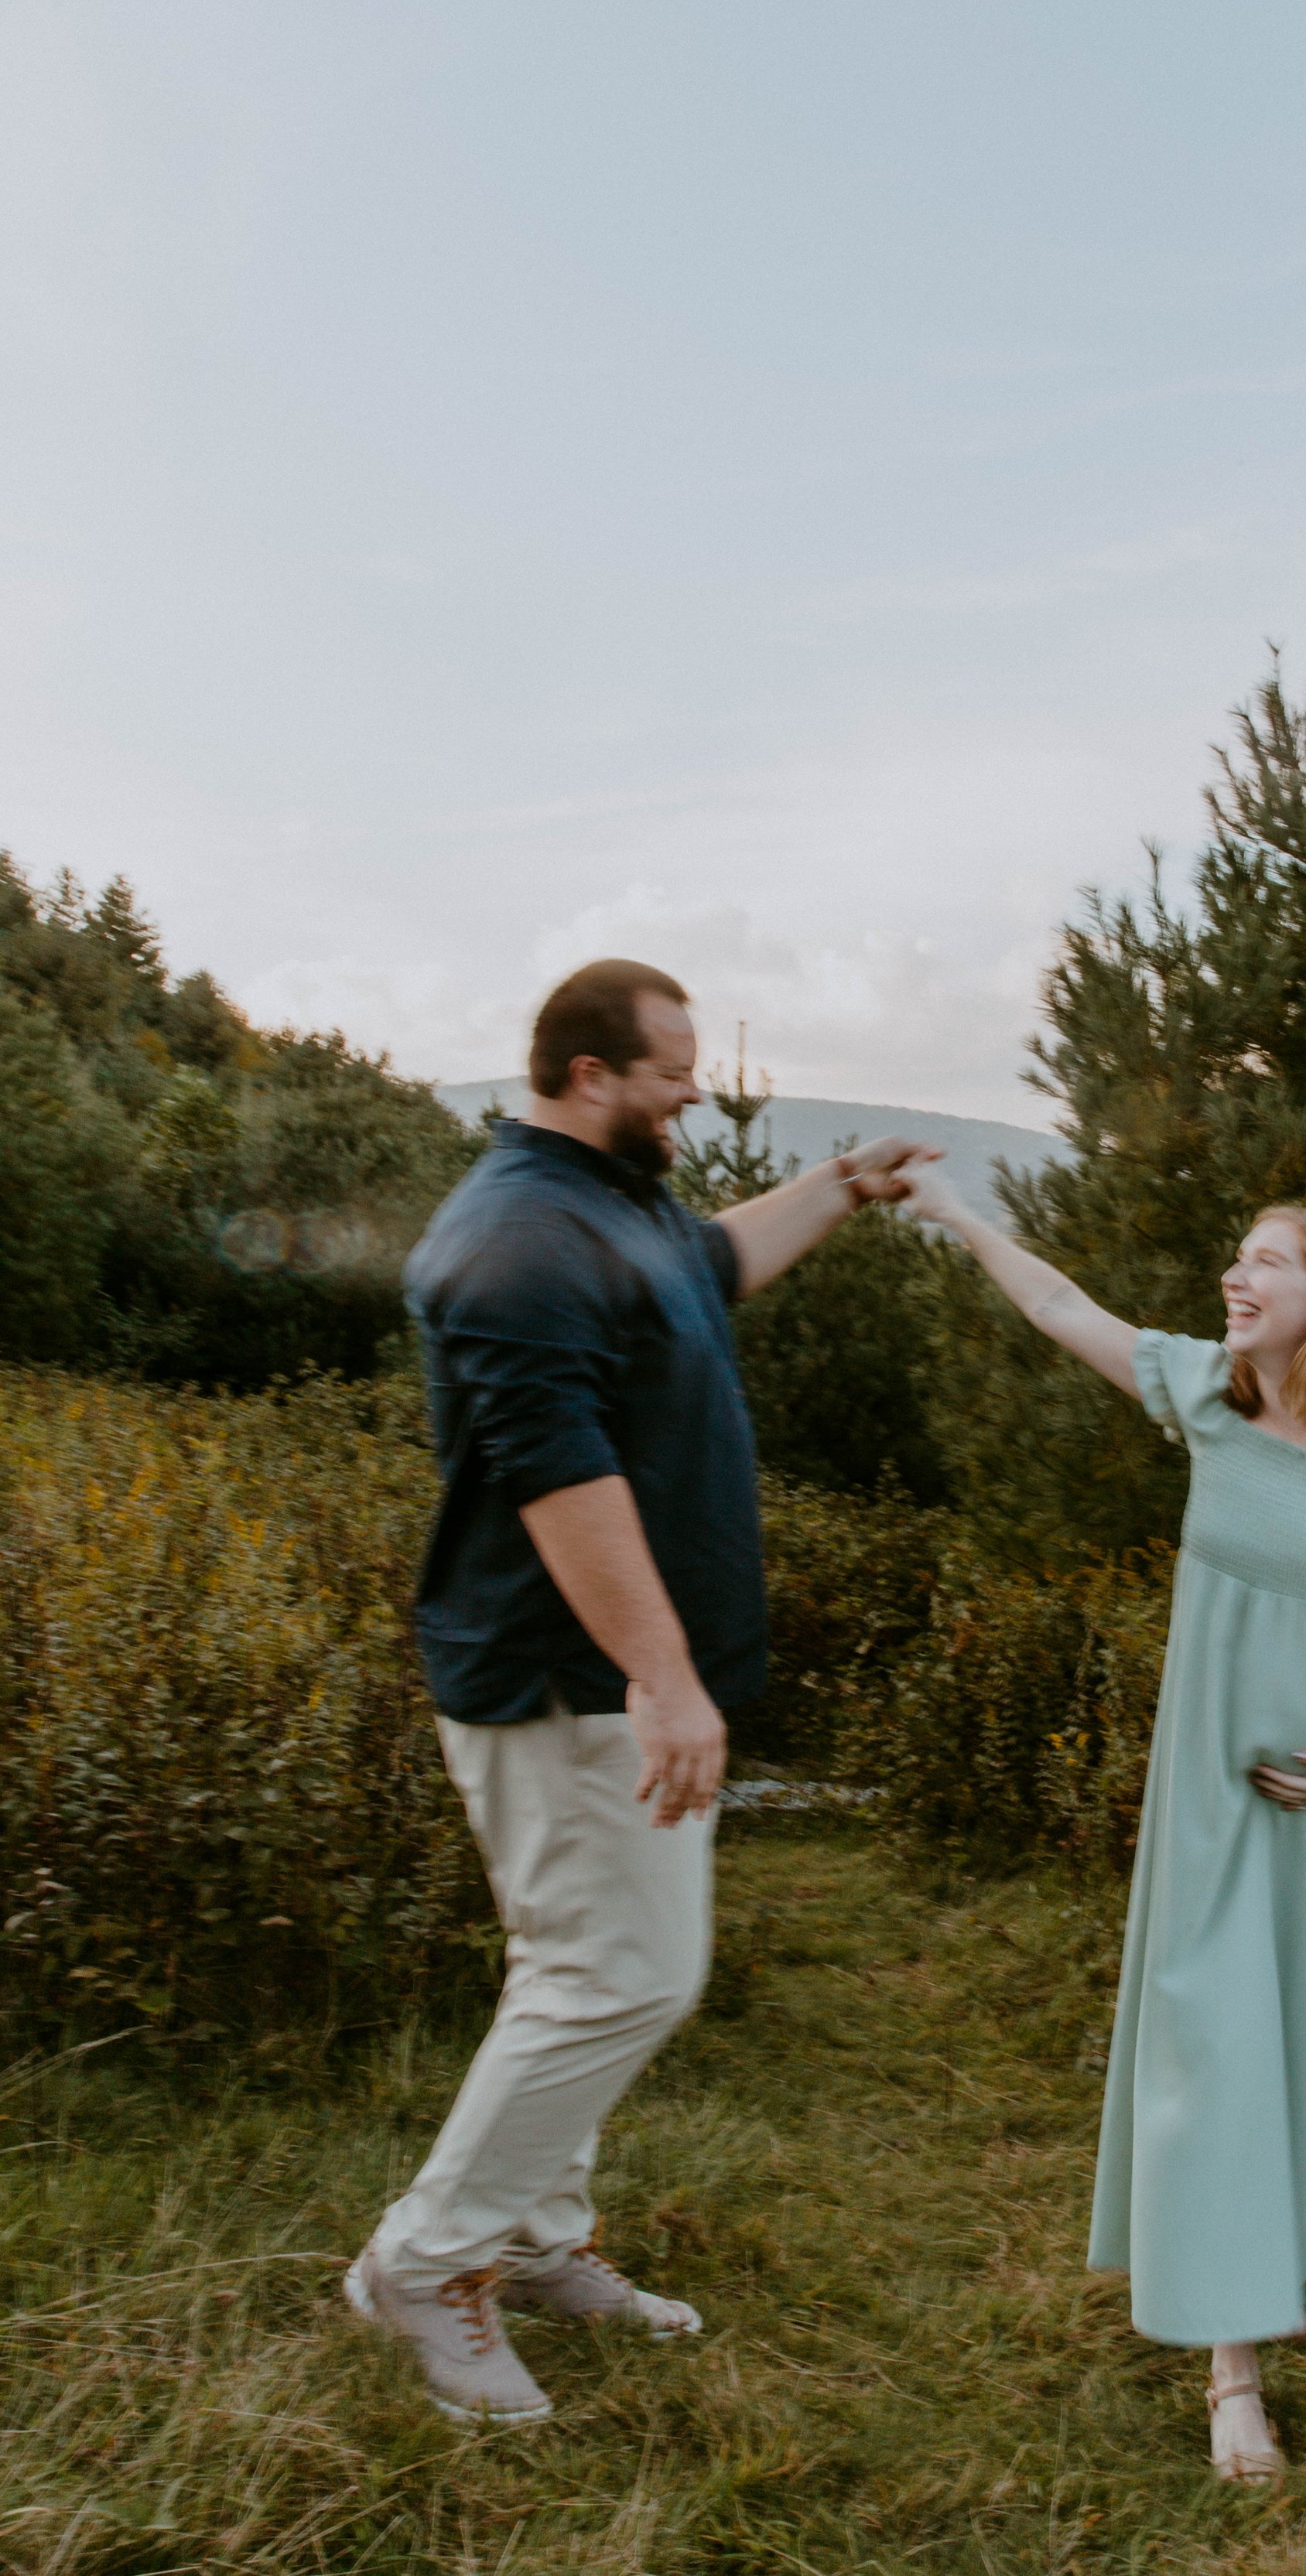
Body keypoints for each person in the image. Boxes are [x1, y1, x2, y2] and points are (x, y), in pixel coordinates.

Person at [347, 958, 932, 2424]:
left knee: (591, 1966)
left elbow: (706, 1266)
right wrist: (659, 1678)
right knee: (620, 1976)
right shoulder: (511, 1238)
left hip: (622, 1681)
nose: (695, 1086)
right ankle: (428, 2265)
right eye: (672, 1066)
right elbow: (557, 1477)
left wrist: (842, 1187)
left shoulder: (607, 1198)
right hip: (561, 1682)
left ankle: (539, 2244)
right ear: (591, 1068)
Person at [897, 1167, 1306, 2482]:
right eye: (1238, 1256)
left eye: (1262, 1261)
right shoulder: (1205, 1397)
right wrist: (955, 1214)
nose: (1235, 1276)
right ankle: (1235, 2372)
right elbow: (1060, 1303)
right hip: (1220, 1811)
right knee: (1219, 2048)